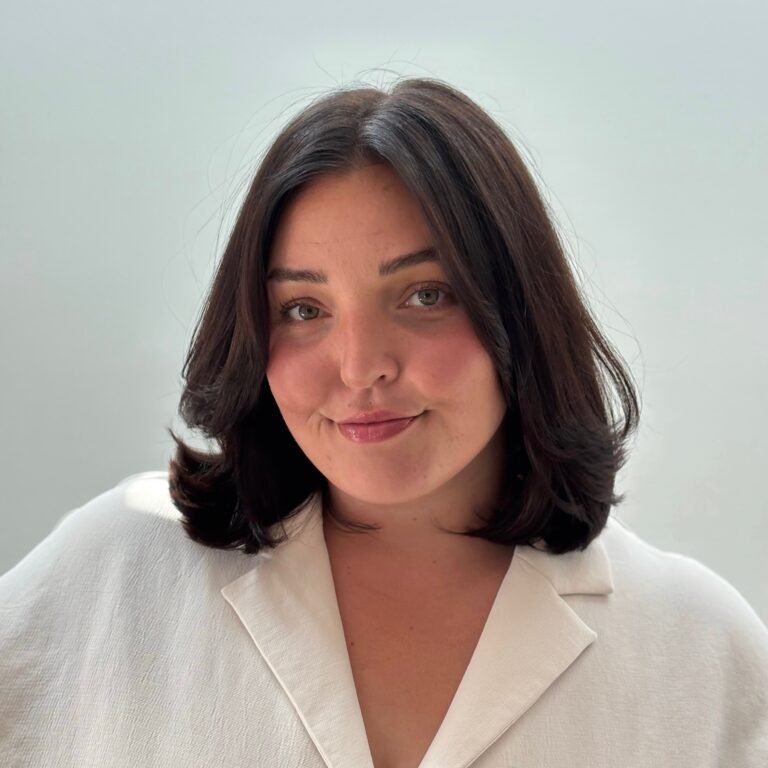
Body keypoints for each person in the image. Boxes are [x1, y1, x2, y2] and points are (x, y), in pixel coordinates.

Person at [1, 77, 766, 768]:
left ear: (518, 312)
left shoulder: (700, 649)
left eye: (424, 295)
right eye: (303, 310)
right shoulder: (109, 578)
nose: (361, 365)